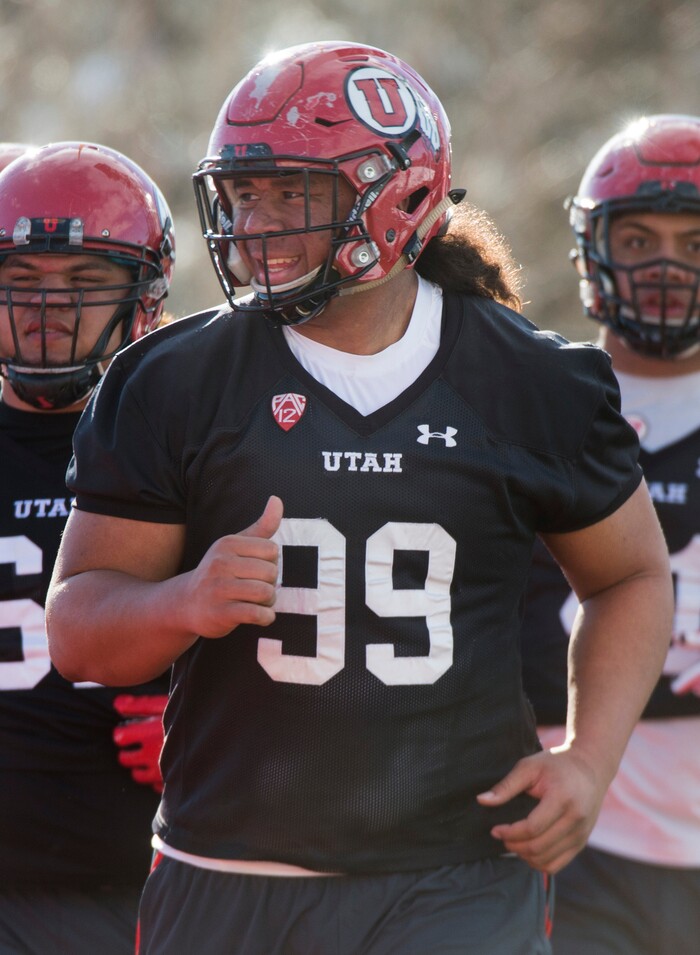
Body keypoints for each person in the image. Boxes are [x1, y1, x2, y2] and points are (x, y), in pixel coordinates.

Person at [46, 43, 673, 955]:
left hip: (458, 876)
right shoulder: (173, 381)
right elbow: (78, 629)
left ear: (403, 194)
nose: (255, 224)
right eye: (244, 194)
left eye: (290, 192)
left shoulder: (530, 379)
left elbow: (631, 578)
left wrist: (588, 759)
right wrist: (185, 599)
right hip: (229, 874)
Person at [520, 113, 700, 954]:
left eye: (693, 241)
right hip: (567, 833)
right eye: (638, 237)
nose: (666, 265)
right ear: (594, 248)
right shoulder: (530, 399)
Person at [0, 140, 175, 955]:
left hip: (147, 878)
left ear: (145, 296)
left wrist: (219, 722)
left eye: (84, 282)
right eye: (23, 281)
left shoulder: (192, 446)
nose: (48, 308)